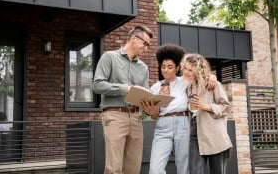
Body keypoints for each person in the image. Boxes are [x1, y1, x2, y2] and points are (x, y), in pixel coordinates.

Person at [140, 44, 217, 174]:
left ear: (177, 68)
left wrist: (212, 76)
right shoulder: (155, 87)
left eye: (170, 67)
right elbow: (154, 115)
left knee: (184, 166)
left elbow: (201, 74)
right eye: (163, 67)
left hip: (183, 124)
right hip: (163, 125)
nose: (165, 70)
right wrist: (154, 106)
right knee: (155, 168)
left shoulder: (185, 81)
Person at [93, 25, 159, 174]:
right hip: (115, 115)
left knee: (133, 168)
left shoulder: (144, 68)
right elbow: (97, 85)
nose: (146, 48)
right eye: (145, 43)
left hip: (136, 118)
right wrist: (126, 89)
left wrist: (149, 107)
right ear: (134, 38)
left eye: (148, 45)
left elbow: (143, 96)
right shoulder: (109, 57)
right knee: (114, 168)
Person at [181, 54, 233, 174]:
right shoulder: (187, 89)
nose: (186, 72)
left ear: (198, 71)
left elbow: (227, 107)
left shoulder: (212, 85)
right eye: (185, 68)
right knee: (194, 171)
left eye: (190, 70)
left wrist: (206, 106)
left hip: (214, 134)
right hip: (194, 134)